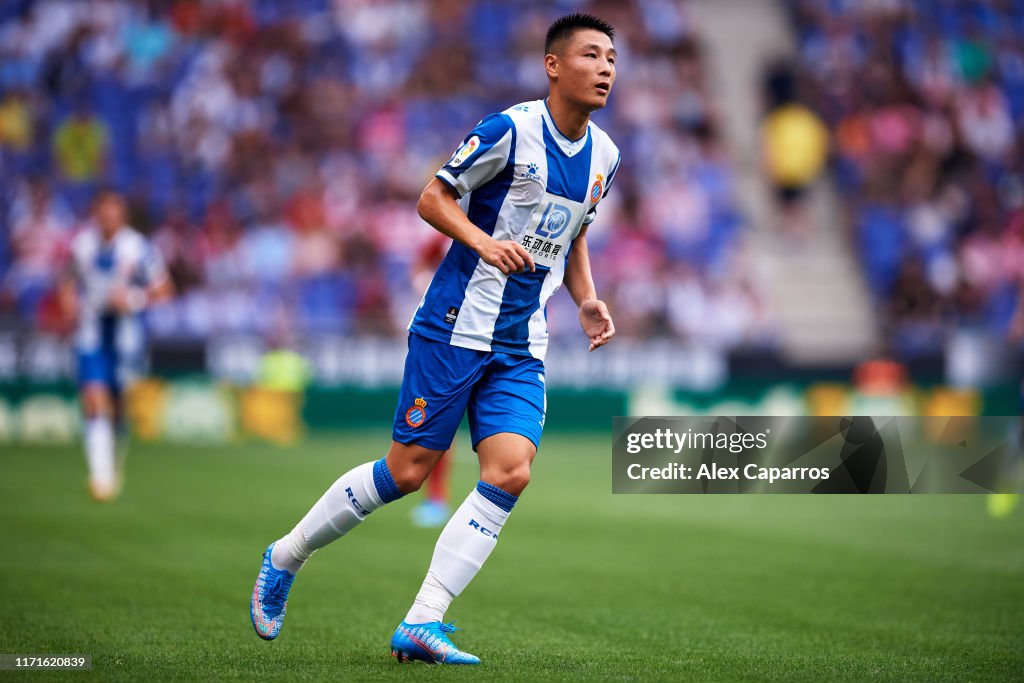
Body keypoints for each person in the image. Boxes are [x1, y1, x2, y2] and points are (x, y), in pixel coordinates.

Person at [250, 12, 621, 665]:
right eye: (592, 55)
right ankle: (286, 554)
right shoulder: (509, 129)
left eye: (613, 58)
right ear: (554, 66)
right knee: (407, 472)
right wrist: (483, 240)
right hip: (455, 326)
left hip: (521, 339)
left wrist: (586, 296)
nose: (607, 68)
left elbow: (576, 229)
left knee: (512, 469)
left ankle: (424, 618)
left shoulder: (607, 155)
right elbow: (432, 197)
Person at [59, 189, 172, 501]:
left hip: (126, 337)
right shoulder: (82, 245)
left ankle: (111, 463)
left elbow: (164, 290)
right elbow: (67, 280)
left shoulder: (138, 248)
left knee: (118, 407)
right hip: (91, 334)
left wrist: (134, 299)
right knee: (94, 398)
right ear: (96, 213)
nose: (107, 217)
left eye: (114, 212)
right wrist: (68, 301)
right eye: (102, 211)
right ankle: (101, 477)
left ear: (122, 216)